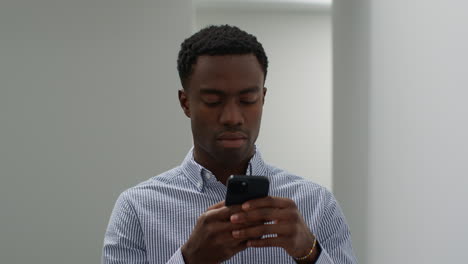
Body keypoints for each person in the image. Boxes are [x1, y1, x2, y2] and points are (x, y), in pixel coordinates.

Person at [102, 25, 357, 264]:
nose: (232, 118)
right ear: (185, 103)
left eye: (247, 100)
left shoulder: (317, 204)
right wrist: (189, 259)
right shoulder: (136, 208)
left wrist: (309, 252)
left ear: (263, 99)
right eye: (213, 101)